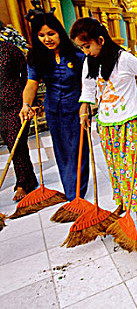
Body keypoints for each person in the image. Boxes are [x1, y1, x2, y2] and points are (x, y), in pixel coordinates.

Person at [72, 17, 137, 233]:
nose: (85, 51)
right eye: (81, 47)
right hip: (106, 123)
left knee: (136, 167)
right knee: (116, 167)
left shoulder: (125, 59)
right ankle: (122, 202)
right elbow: (88, 89)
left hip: (131, 121)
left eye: (87, 46)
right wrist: (84, 109)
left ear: (100, 40)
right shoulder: (89, 62)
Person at [19, 11, 89, 202]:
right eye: (41, 35)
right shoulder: (36, 58)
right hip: (53, 110)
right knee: (62, 151)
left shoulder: (77, 55)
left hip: (76, 109)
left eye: (51, 33)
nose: (47, 39)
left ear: (59, 32)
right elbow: (31, 84)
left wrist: (87, 106)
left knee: (77, 149)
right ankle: (70, 193)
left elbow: (87, 84)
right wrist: (26, 104)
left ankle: (77, 195)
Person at [0, 36, 38, 201]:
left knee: (16, 143)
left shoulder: (9, 50)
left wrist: (27, 101)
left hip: (13, 104)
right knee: (9, 143)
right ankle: (29, 178)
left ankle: (23, 183)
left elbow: (27, 75)